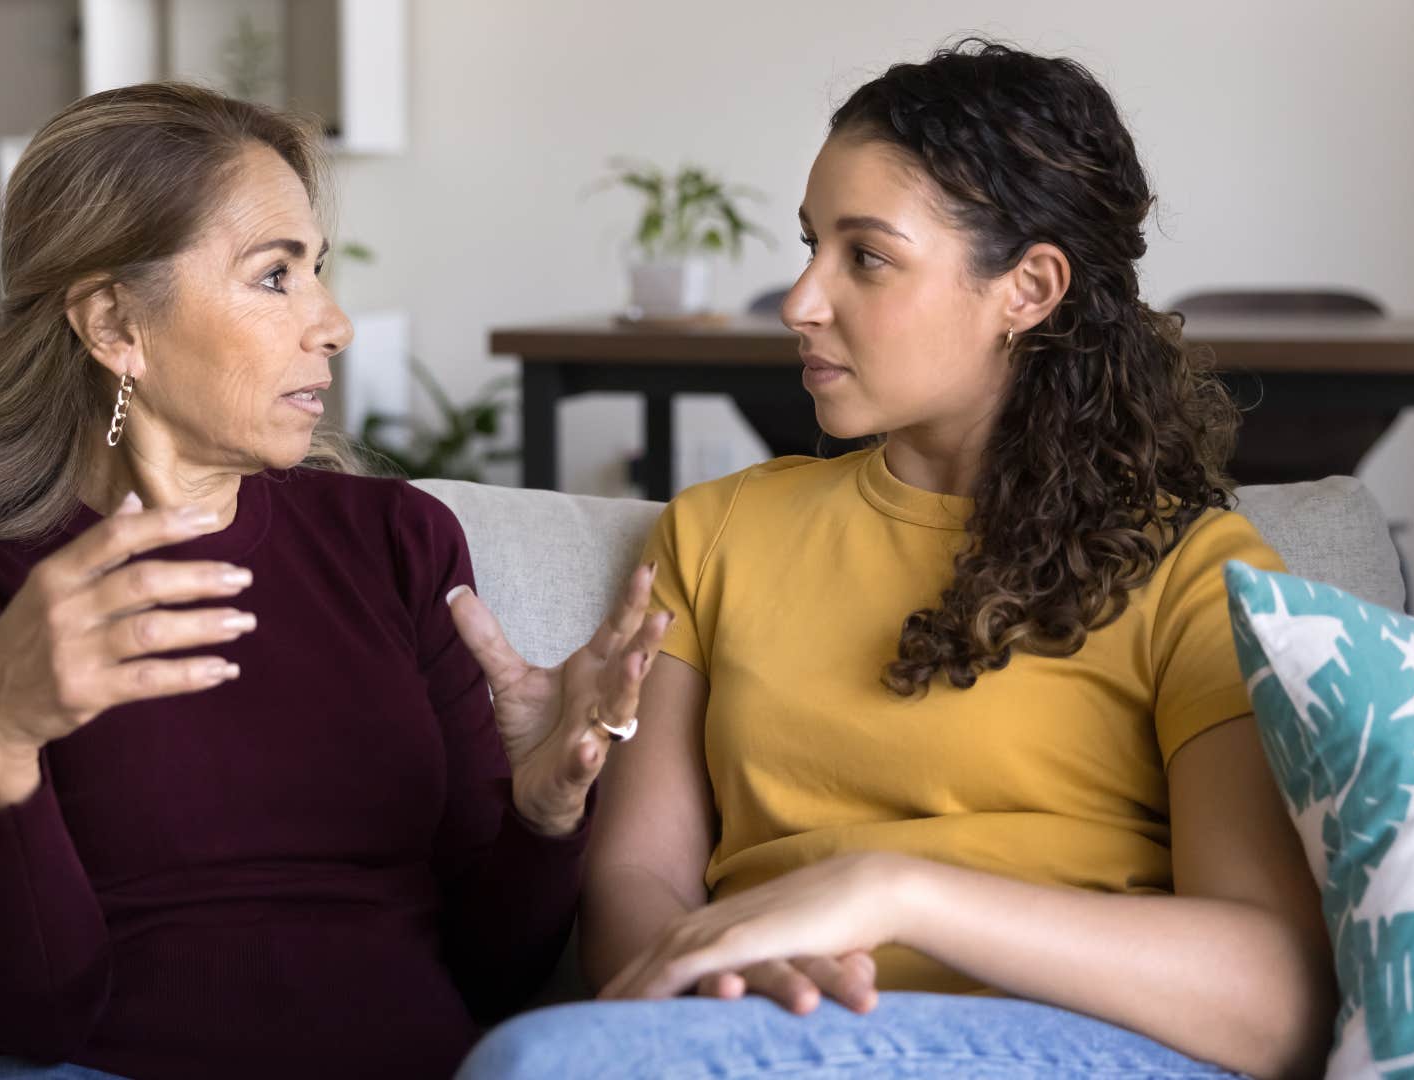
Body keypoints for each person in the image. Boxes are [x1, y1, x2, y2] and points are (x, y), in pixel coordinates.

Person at [457, 40, 1336, 1080]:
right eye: (810, 246)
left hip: (1083, 1043)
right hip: (765, 1031)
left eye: (865, 257)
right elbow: (638, 882)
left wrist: (897, 892)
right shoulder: (718, 533)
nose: (800, 300)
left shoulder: (1195, 572)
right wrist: (716, 974)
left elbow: (1274, 1002)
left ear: (1028, 287)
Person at [0, 82, 669, 1080]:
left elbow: (486, 977)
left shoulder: (396, 542)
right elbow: (33, 1020)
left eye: (317, 270)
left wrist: (543, 819)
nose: (334, 325)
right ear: (114, 325)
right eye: (275, 276)